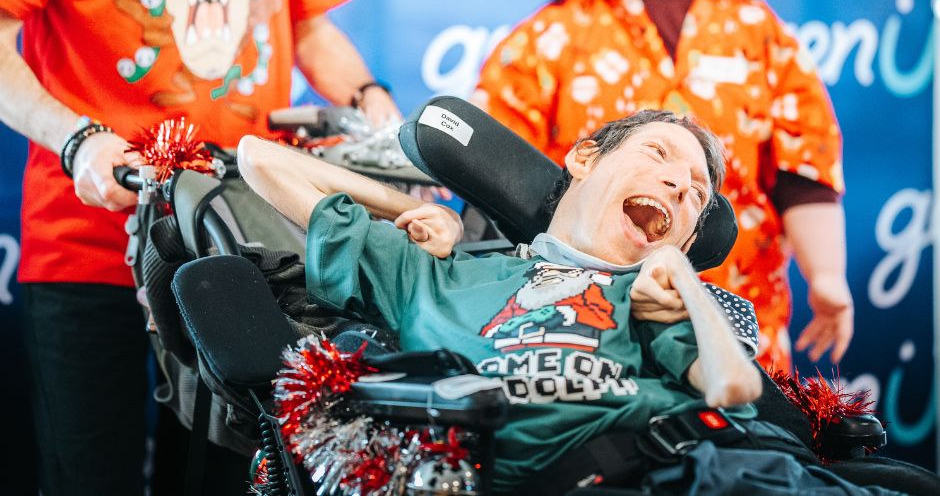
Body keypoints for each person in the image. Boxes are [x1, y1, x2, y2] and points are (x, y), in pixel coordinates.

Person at [0, 0, 397, 494]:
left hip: (243, 257)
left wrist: (372, 101)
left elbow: (311, 30)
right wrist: (77, 141)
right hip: (90, 255)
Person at [236, 110, 908, 495]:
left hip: (716, 473)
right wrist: (409, 211)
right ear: (586, 158)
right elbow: (259, 159)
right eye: (658, 154)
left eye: (696, 195)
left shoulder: (651, 297)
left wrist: (680, 279)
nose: (679, 184)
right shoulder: (435, 278)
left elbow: (734, 387)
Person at [473, 0, 850, 373]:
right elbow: (492, 173)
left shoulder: (757, 30)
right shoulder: (545, 38)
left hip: (736, 343)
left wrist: (828, 278)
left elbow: (804, 169)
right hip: (579, 339)